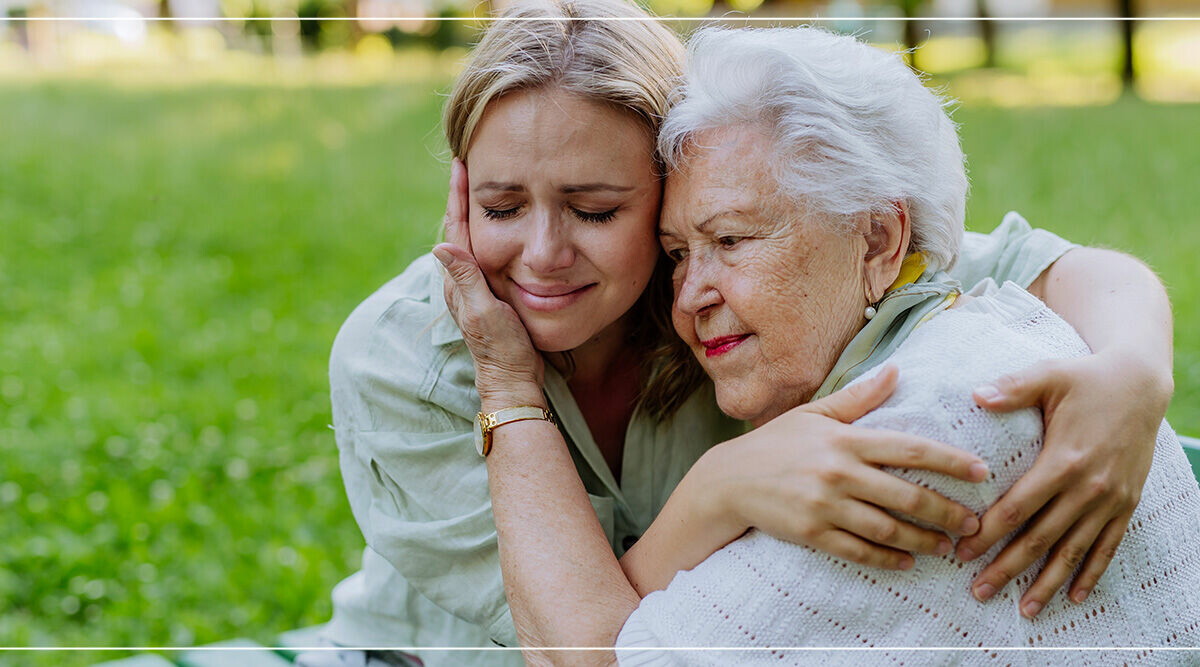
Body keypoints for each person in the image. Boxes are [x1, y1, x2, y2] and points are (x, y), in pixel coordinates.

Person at [315, 2, 1177, 664]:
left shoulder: (728, 278)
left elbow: (1019, 260)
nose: (542, 255)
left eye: (597, 209)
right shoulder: (401, 364)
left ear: (666, 184)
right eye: (501, 207)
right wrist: (717, 488)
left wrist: (1135, 371)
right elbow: (573, 641)